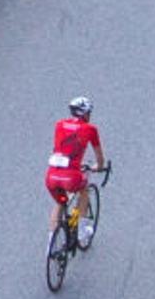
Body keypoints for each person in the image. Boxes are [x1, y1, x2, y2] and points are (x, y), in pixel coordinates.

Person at [46, 95, 108, 244]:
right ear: (85, 114)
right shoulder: (90, 129)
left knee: (60, 202)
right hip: (71, 178)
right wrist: (99, 167)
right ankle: (82, 231)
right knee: (83, 190)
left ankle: (51, 243)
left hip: (51, 176)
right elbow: (99, 157)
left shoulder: (59, 124)